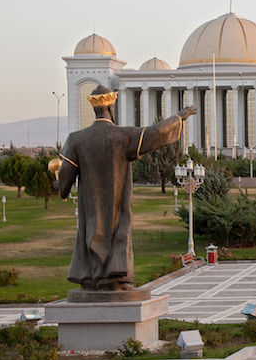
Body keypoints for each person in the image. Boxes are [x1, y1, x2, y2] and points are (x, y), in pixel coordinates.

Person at [52, 85, 196, 291]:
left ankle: (91, 279)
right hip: (117, 202)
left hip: (90, 204)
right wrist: (178, 118)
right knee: (117, 231)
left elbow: (66, 172)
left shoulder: (76, 139)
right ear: (111, 109)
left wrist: (61, 187)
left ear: (95, 110)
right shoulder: (123, 136)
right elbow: (154, 134)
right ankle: (114, 279)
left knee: (91, 231)